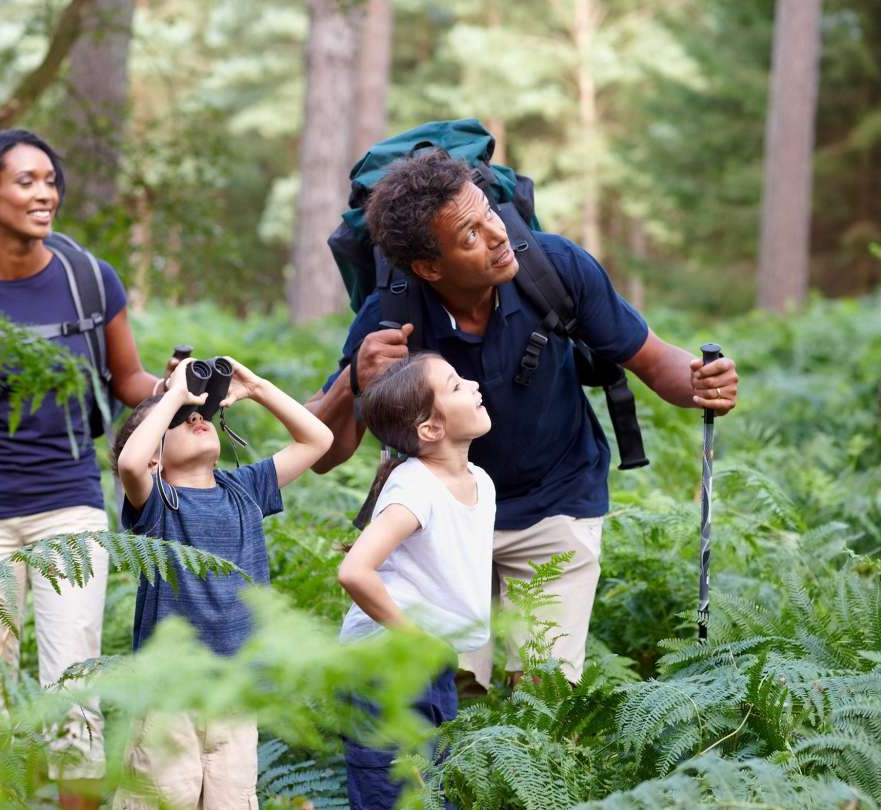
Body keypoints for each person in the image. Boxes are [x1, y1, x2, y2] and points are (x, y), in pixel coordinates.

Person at [306, 150, 740, 688]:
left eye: (489, 211)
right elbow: (324, 455)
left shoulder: (553, 267)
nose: (496, 234)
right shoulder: (390, 316)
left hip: (556, 500)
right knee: (446, 693)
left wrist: (700, 382)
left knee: (545, 694)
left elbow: (654, 361)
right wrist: (355, 380)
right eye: (469, 235)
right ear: (428, 267)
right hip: (442, 519)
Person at [0, 129, 165, 810]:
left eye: (50, 180)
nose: (45, 193)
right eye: (26, 181)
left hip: (70, 503)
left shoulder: (90, 277)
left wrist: (178, 388)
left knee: (72, 682)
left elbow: (127, 379)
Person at [110, 357, 333, 810]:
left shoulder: (244, 489)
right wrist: (172, 394)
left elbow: (319, 439)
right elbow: (130, 463)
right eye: (179, 421)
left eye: (202, 414)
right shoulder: (157, 504)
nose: (197, 416)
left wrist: (256, 387)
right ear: (156, 456)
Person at [336, 352, 496, 810]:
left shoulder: (480, 481)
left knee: (431, 793)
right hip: (384, 666)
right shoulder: (415, 487)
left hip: (431, 663)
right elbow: (354, 571)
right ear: (430, 429)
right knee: (395, 797)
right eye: (455, 385)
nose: (473, 383)